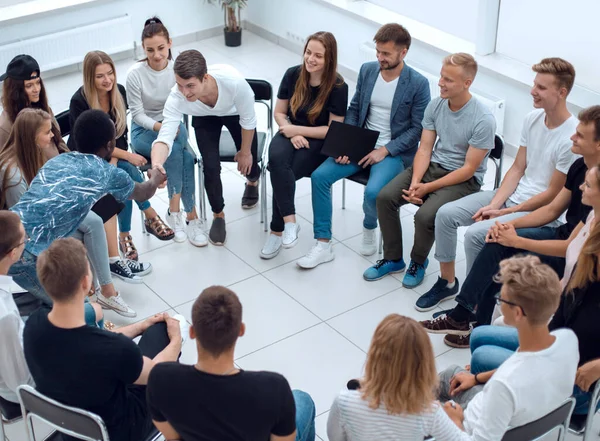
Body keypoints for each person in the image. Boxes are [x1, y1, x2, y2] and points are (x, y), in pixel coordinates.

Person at [420, 105, 600, 348]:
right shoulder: (580, 166)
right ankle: (468, 318)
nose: (572, 137)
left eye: (580, 135)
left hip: (570, 256)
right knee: (496, 241)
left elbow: (570, 247)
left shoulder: (596, 190)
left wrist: (517, 240)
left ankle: (466, 319)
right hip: (560, 235)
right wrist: (507, 224)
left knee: (503, 248)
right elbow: (552, 210)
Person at [416, 58, 578, 311]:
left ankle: (471, 305)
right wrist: (495, 203)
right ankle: (447, 283)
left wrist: (504, 212)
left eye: (541, 87)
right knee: (445, 215)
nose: (533, 91)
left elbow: (552, 195)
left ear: (562, 92)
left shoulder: (571, 137)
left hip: (537, 212)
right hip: (511, 199)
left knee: (476, 234)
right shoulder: (532, 118)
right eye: (534, 84)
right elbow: (517, 168)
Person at [464, 165, 600, 425]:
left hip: (575, 376)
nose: (582, 187)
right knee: (480, 336)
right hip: (557, 344)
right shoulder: (592, 220)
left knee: (482, 358)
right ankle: (491, 400)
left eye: (590, 185)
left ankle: (494, 413)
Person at [296, 23, 431, 269]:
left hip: (392, 151)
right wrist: (344, 143)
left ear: (403, 53)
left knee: (373, 193)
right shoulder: (368, 70)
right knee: (319, 177)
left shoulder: (418, 84)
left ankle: (369, 225)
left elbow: (417, 130)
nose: (380, 58)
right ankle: (323, 243)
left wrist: (385, 150)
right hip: (360, 142)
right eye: (378, 51)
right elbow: (355, 108)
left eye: (386, 54)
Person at [9, 110, 167, 316]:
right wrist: (155, 177)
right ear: (110, 145)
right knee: (79, 309)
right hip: (23, 254)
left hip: (9, 229)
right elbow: (143, 192)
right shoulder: (106, 173)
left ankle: (106, 293)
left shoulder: (57, 161)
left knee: (91, 222)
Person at [23, 237, 183, 441]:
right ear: (85, 282)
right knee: (163, 332)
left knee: (148, 335)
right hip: (122, 430)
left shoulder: (33, 326)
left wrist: (139, 327)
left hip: (71, 427)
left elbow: (95, 341)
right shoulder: (113, 350)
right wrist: (176, 339)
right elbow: (157, 374)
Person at [363, 53, 496, 286]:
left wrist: (427, 188)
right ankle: (393, 258)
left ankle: (418, 261)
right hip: (431, 167)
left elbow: (468, 169)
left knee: (425, 215)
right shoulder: (436, 105)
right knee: (385, 197)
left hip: (464, 180)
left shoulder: (483, 119)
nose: (440, 83)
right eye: (441, 77)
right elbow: (424, 149)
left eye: (448, 80)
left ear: (467, 83)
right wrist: (415, 181)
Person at [147, 285, 316, 441]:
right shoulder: (273, 388)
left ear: (192, 332)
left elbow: (173, 437)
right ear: (241, 330)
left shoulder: (161, 379)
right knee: (302, 400)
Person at [437, 255, 578, 440]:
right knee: (450, 374)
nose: (499, 303)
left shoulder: (503, 387)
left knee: (418, 410)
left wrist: (454, 421)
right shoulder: (568, 340)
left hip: (467, 427)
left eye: (501, 299)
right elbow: (525, 370)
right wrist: (477, 378)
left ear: (518, 313)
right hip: (510, 413)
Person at [69, 50, 174, 262]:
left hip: (112, 152)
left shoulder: (119, 92)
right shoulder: (79, 101)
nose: (108, 80)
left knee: (123, 174)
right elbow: (89, 144)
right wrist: (124, 156)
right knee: (126, 173)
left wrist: (115, 158)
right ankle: (148, 215)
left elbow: (120, 133)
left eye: (110, 73)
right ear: (90, 78)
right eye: (100, 76)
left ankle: (126, 234)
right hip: (87, 159)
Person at [151, 49, 260, 246]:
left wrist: (245, 152)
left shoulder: (234, 84)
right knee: (210, 166)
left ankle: (252, 182)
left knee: (251, 162)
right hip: (203, 117)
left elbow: (248, 119)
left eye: (190, 85)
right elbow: (165, 137)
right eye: (180, 85)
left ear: (205, 78)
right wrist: (157, 163)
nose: (185, 92)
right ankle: (218, 214)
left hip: (234, 112)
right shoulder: (177, 97)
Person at [260, 31, 349, 259]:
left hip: (318, 141)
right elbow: (279, 113)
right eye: (308, 52)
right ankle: (289, 224)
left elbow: (332, 130)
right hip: (289, 131)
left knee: (281, 172)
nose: (311, 59)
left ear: (329, 59)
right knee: (277, 159)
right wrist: (290, 132)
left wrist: (296, 131)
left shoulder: (338, 86)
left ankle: (276, 231)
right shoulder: (293, 75)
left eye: (318, 55)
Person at [0, 212, 104, 404]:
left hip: (22, 348)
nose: (27, 242)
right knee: (93, 313)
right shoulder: (4, 315)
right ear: (13, 253)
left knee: (90, 313)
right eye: (25, 239)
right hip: (27, 385)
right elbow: (21, 383)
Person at [327, 314, 470, 441]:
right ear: (424, 365)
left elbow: (335, 437)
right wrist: (456, 421)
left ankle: (367, 384)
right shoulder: (430, 412)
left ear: (374, 356)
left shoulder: (343, 402)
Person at [127, 17, 203, 245]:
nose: (157, 55)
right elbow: (138, 115)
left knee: (184, 155)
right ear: (143, 49)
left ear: (170, 43)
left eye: (161, 48)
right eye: (150, 50)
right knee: (179, 150)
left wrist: (170, 127)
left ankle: (179, 213)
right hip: (144, 131)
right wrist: (163, 128)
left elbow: (186, 102)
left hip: (173, 124)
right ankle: (187, 215)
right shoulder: (135, 74)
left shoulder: (176, 70)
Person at [0, 54, 64, 149]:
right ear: (16, 90)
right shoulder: (5, 126)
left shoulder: (45, 109)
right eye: (29, 85)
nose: (36, 89)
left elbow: (59, 142)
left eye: (38, 83)